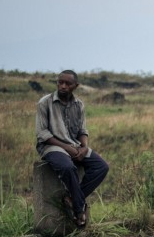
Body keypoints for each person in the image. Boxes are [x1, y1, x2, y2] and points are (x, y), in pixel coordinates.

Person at [35, 70, 110, 227]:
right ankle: (79, 209)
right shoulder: (45, 103)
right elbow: (43, 133)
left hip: (75, 145)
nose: (63, 86)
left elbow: (83, 131)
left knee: (101, 166)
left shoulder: (79, 104)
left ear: (75, 86)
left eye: (67, 84)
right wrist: (68, 149)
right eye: (60, 82)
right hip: (52, 146)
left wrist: (84, 147)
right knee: (68, 167)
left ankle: (72, 198)